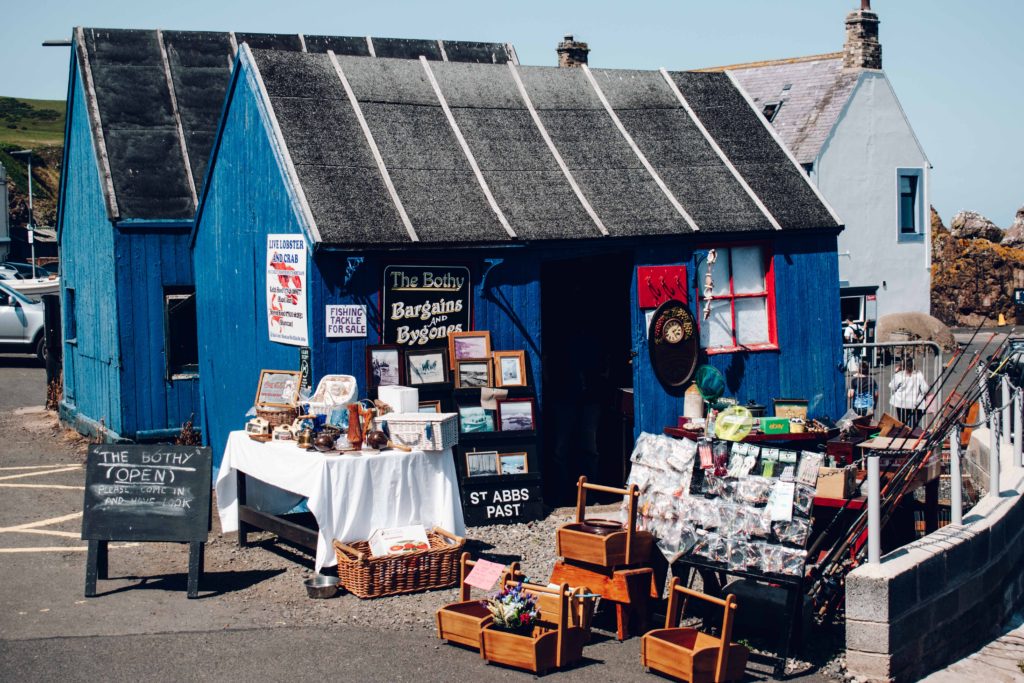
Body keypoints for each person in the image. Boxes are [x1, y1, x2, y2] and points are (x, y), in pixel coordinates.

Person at [889, 357, 928, 426]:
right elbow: (925, 389)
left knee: (902, 422)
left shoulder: (899, 375)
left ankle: (904, 434)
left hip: (900, 402)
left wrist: (896, 372)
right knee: (912, 423)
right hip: (914, 402)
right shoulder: (918, 374)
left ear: (902, 366)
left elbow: (892, 386)